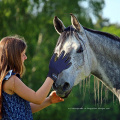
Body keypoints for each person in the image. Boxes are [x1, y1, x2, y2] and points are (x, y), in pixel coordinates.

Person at [0, 36, 71, 120]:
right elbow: (37, 98)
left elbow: (26, 109)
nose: (25, 57)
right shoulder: (12, 81)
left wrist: (49, 100)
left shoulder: (7, 78)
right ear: (14, 57)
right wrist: (53, 73)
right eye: (23, 54)